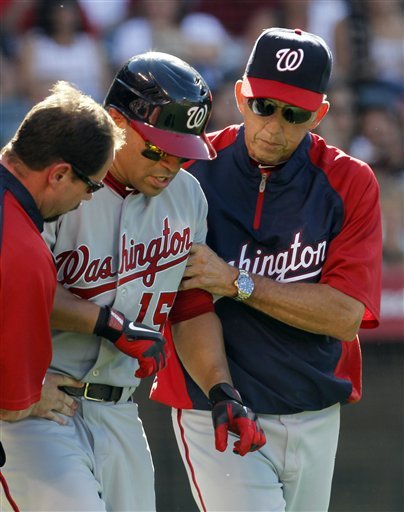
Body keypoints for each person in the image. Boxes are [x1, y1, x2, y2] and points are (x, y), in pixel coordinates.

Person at [0, 52, 265, 511]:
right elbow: (20, 288)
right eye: (158, 149)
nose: (170, 166)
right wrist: (108, 323)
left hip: (120, 409)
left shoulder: (188, 197)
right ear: (117, 123)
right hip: (40, 398)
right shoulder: (61, 186)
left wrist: (221, 389)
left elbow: (189, 306)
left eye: (183, 154)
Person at [151, 28, 383, 511]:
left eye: (294, 113)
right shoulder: (191, 171)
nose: (274, 126)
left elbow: (345, 316)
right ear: (241, 96)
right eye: (263, 106)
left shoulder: (350, 181)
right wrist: (221, 392)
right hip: (215, 406)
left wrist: (236, 282)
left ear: (319, 114)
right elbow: (184, 305)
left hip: (315, 410)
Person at [0, 80, 123, 508]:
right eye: (91, 187)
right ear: (58, 174)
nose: (88, 200)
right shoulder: (23, 252)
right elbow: (11, 404)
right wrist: (33, 392)